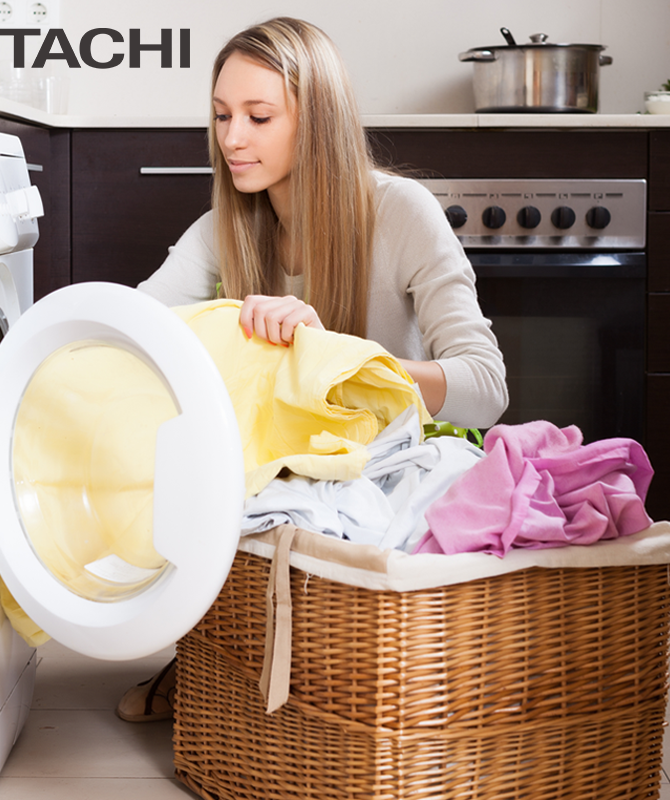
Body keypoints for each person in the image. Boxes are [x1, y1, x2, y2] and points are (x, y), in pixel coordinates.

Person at [116, 16, 508, 723]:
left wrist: (341, 361)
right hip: (278, 477)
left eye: (259, 117)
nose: (233, 138)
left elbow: (486, 388)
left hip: (384, 475)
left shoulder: (401, 212)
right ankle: (215, 655)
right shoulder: (225, 228)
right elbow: (138, 326)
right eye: (222, 116)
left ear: (317, 120)